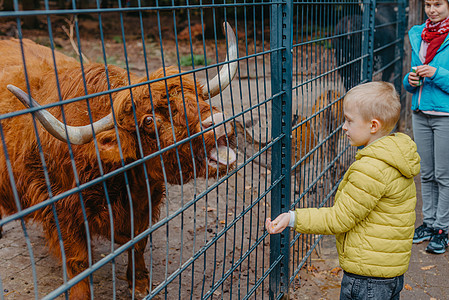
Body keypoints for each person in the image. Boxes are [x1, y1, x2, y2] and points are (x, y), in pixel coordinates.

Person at [266, 82, 421, 300]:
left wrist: (293, 218)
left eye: (349, 120)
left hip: (367, 278)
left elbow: (340, 218)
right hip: (388, 272)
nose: (343, 127)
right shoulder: (396, 155)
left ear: (373, 126)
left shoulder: (371, 169)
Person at [403, 0, 449, 254]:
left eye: (438, 4)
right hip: (420, 112)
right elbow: (410, 81)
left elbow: (440, 76)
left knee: (444, 175)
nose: (432, 10)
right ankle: (429, 223)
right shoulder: (419, 35)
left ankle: (442, 229)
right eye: (428, 4)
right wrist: (410, 80)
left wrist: (436, 72)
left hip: (445, 116)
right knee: (427, 174)